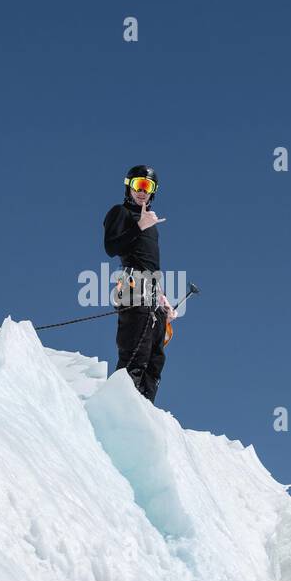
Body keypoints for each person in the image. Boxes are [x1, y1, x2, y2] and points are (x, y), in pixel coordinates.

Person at [103, 165, 175, 403]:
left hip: (154, 296)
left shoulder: (152, 225)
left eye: (148, 186)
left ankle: (143, 414)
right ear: (129, 186)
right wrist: (138, 227)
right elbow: (111, 248)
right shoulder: (120, 213)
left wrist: (162, 297)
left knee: (155, 362)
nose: (142, 191)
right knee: (136, 355)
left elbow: (150, 263)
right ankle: (121, 410)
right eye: (138, 185)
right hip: (134, 293)